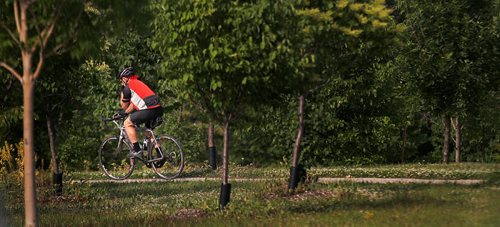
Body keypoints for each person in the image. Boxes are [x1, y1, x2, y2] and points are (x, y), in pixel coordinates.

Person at [116, 66, 163, 158]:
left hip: (148, 109)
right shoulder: (139, 83)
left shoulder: (128, 88)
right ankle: (160, 154)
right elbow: (134, 104)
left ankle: (137, 149)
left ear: (125, 78)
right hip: (158, 109)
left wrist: (123, 90)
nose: (121, 82)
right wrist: (125, 112)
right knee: (147, 131)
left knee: (127, 123)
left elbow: (124, 106)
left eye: (121, 79)